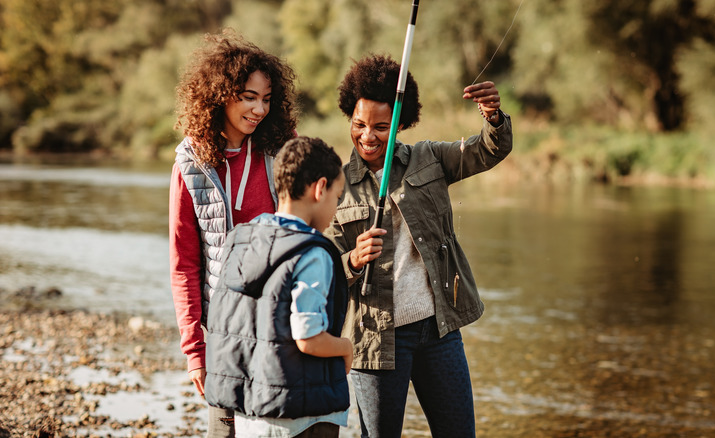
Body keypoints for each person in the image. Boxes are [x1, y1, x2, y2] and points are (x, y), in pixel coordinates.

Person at [323, 54, 513, 438]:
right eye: (358, 125)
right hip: (376, 340)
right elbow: (324, 266)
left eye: (380, 126)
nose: (367, 136)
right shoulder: (335, 186)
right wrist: (352, 260)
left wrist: (493, 116)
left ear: (401, 122)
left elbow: (489, 150)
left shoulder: (429, 158)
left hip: (438, 330)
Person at [169, 29, 297, 437]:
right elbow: (184, 264)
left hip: (282, 324)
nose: (259, 109)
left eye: (266, 99)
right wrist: (195, 351)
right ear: (221, 94)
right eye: (248, 97)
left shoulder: (283, 150)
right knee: (224, 432)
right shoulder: (190, 165)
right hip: (223, 331)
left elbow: (315, 216)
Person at [205, 136, 353, 438]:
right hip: (301, 416)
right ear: (320, 188)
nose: (335, 210)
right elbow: (308, 337)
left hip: (252, 413)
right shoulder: (312, 252)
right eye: (337, 198)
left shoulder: (242, 238)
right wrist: (345, 348)